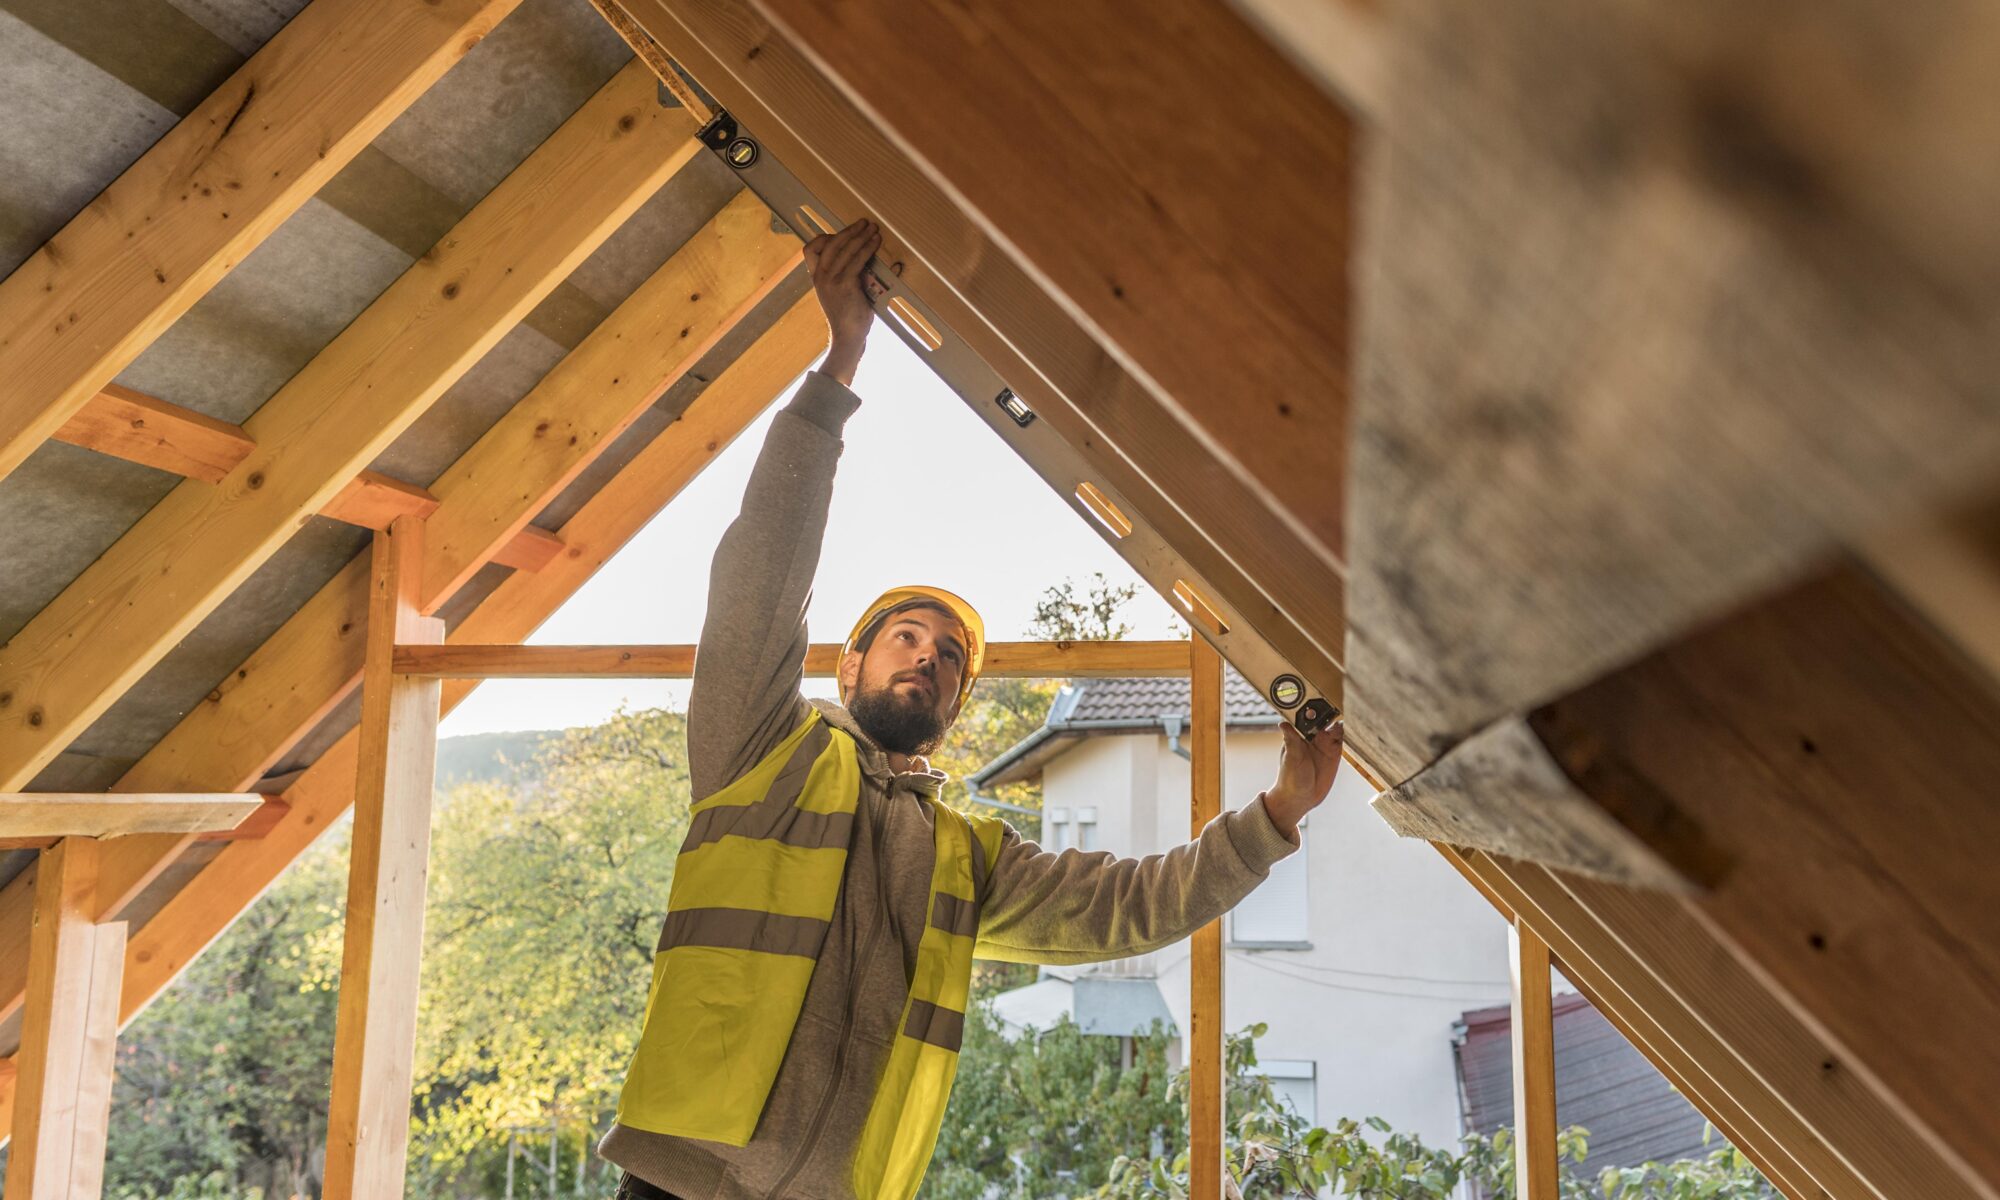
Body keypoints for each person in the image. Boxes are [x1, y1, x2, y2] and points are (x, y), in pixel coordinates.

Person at [600, 219, 1345, 1200]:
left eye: (949, 657)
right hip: (678, 1182)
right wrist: (839, 366)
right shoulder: (757, 753)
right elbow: (758, 578)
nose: (928, 656)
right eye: (906, 636)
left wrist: (1279, 812)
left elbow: (1134, 905)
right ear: (849, 660)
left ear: (952, 706)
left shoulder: (963, 860)